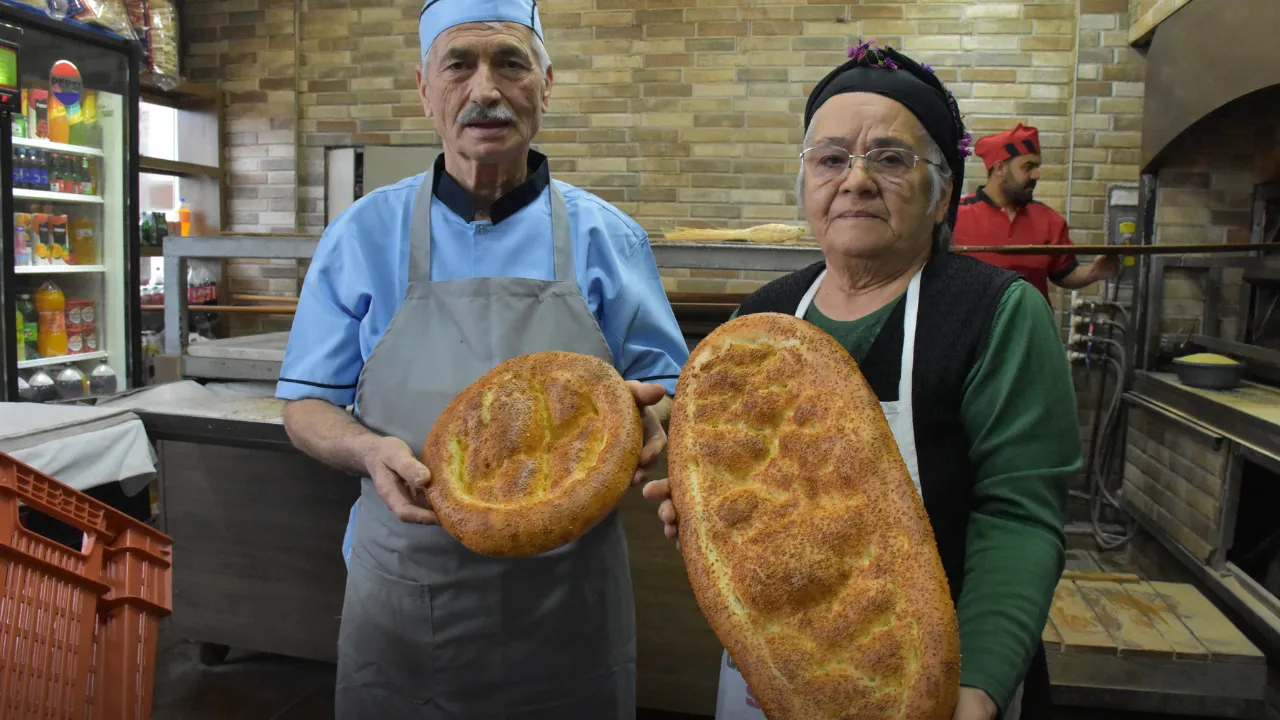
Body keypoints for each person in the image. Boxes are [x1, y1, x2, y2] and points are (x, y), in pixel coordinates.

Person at [643, 41, 1081, 720]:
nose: (855, 180)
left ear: (943, 198)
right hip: (776, 672)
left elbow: (1020, 517)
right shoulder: (758, 321)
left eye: (891, 159)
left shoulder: (994, 314)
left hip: (945, 678)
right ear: (806, 186)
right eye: (830, 159)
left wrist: (976, 691)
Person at [275, 1, 689, 716]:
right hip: (407, 592)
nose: (486, 90)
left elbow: (670, 389)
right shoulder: (363, 234)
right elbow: (306, 406)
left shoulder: (607, 238)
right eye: (459, 65)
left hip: (566, 607)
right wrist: (369, 451)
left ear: (546, 85)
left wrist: (659, 421)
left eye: (510, 63)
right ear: (424, 88)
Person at [953, 123, 1119, 304]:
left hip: (1029, 328)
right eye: (1028, 167)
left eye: (1037, 167)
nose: (1036, 174)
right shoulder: (954, 215)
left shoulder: (1049, 220)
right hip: (971, 328)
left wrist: (1094, 272)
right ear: (1000, 168)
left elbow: (1064, 273)